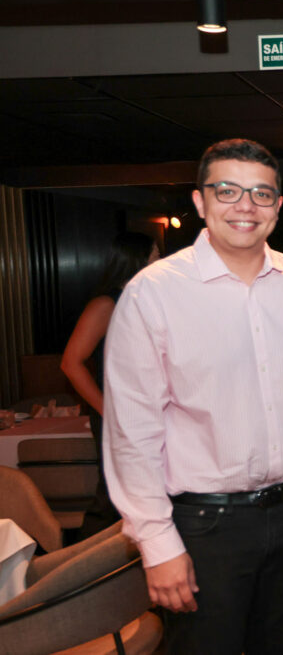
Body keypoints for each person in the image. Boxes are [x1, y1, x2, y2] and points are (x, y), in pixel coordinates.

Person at [103, 138, 283, 654]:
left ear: (278, 207)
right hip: (203, 525)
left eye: (261, 194)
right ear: (200, 202)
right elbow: (133, 433)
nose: (245, 206)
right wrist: (156, 542)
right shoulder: (152, 294)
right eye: (228, 190)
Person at [61, 231, 159, 538]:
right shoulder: (106, 304)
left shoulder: (146, 300)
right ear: (137, 260)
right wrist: (108, 410)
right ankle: (78, 573)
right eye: (155, 254)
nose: (160, 260)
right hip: (119, 415)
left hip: (147, 412)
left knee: (144, 497)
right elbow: (70, 363)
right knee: (114, 498)